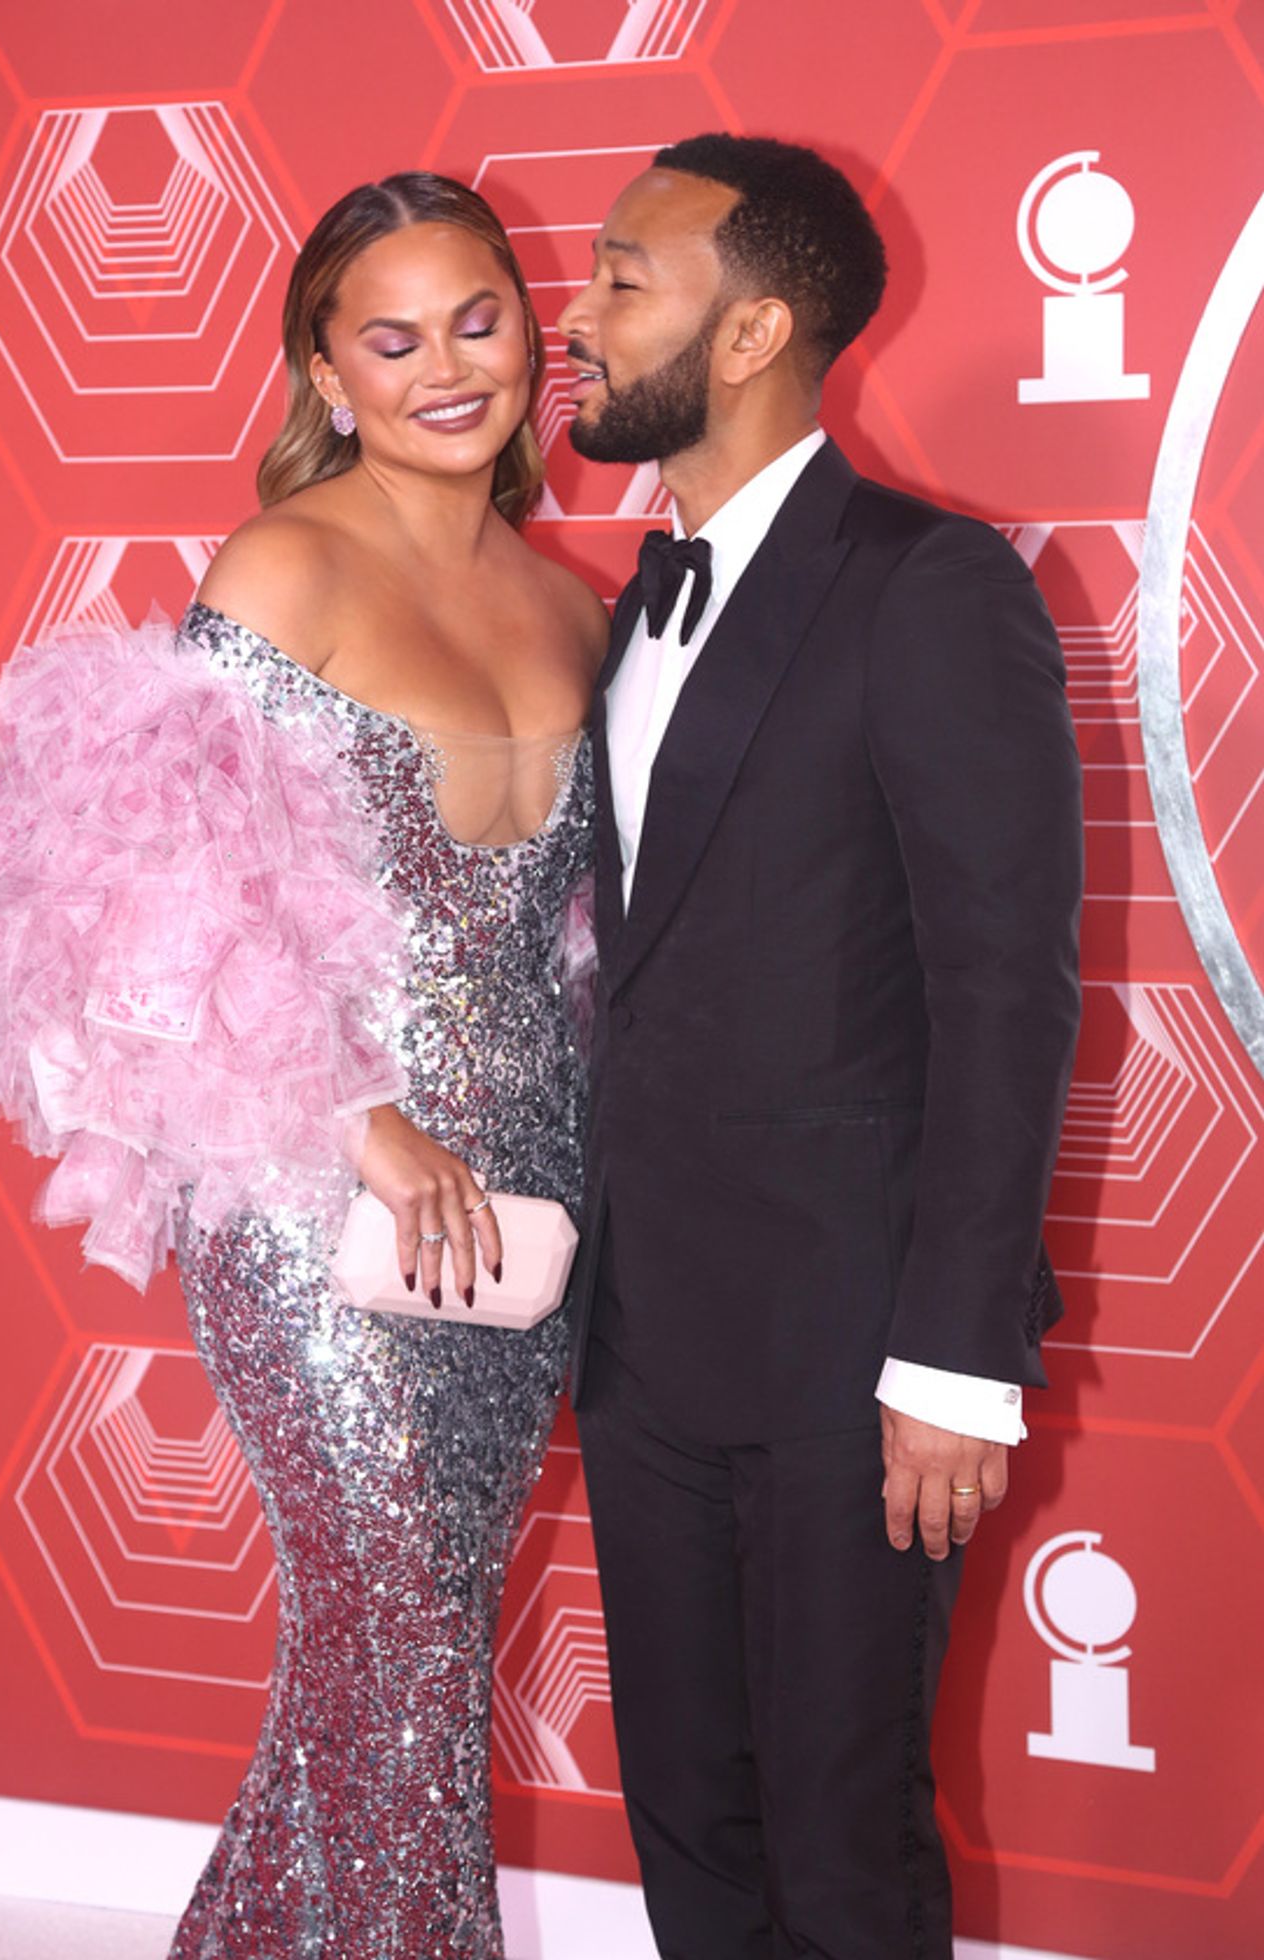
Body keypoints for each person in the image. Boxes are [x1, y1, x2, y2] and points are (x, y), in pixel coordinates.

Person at [0, 172, 607, 1960]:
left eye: (480, 319)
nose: (449, 367)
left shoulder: (574, 607)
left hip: (529, 1208)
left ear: (531, 332)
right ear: (325, 369)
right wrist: (364, 1123)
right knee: (400, 1640)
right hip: (326, 1198)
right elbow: (147, 896)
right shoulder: (285, 567)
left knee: (401, 1644)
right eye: (392, 337)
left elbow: (586, 953)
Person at [558, 134, 1083, 1960]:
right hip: (645, 1338)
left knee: (845, 1848)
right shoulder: (638, 599)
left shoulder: (928, 587)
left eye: (625, 278)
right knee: (688, 1823)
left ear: (758, 326)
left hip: (852, 1356)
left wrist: (954, 1361)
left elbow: (1009, 988)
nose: (580, 311)